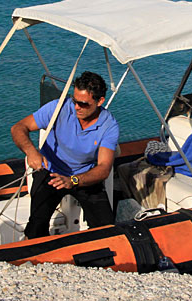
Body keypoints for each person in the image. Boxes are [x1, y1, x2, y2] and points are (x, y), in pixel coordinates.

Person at [10, 71, 119, 239]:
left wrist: (73, 180)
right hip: (51, 171)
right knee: (37, 224)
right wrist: (31, 152)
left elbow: (104, 168)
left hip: (83, 176)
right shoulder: (58, 107)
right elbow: (18, 128)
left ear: (100, 101)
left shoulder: (109, 126)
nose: (76, 107)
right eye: (75, 101)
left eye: (83, 104)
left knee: (106, 228)